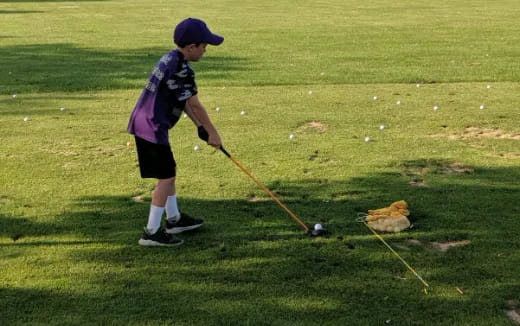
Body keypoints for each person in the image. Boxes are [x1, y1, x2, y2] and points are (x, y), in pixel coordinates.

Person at [127, 18, 224, 246]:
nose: (206, 50)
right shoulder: (182, 69)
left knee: (169, 172)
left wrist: (199, 126)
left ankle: (174, 219)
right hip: (152, 126)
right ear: (192, 47)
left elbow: (184, 102)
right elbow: (196, 104)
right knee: (166, 178)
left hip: (146, 122)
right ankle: (151, 232)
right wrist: (213, 133)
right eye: (204, 46)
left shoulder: (170, 58)